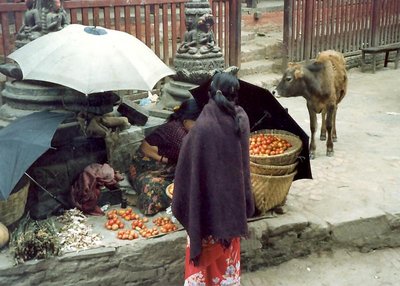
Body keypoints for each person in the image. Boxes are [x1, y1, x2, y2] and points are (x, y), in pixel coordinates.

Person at [172, 72, 255, 285]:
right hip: (231, 210)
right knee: (227, 259)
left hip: (205, 210)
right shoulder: (241, 119)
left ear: (210, 93)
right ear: (235, 94)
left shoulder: (202, 126)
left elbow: (186, 168)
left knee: (205, 268)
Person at [128, 98, 202, 215]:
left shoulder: (184, 129)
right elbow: (193, 158)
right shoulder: (178, 133)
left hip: (166, 166)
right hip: (147, 169)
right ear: (186, 120)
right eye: (197, 122)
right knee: (153, 190)